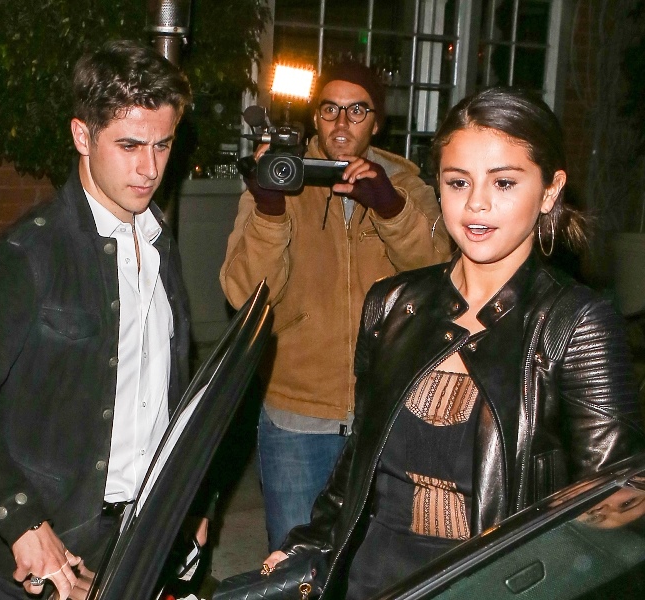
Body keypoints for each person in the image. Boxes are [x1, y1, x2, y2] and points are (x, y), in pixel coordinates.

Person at [261, 87, 645, 600]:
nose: (476, 203)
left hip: (491, 587)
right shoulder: (392, 303)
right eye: (458, 181)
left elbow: (611, 510)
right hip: (372, 580)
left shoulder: (575, 323)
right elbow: (360, 457)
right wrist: (310, 543)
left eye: (504, 182)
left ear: (550, 191)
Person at [0, 39, 199, 600]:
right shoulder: (26, 256)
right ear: (83, 136)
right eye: (129, 145)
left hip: (135, 542)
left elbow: (172, 384)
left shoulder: (158, 241)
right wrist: (22, 523)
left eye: (162, 145)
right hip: (40, 557)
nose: (150, 168)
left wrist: (191, 499)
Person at [220, 61, 451, 551]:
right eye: (330, 109)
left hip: (388, 412)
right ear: (315, 117)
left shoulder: (406, 187)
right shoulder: (282, 175)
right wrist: (269, 210)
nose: (342, 122)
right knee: (293, 563)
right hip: (297, 414)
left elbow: (439, 278)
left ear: (377, 121)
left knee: (377, 563)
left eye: (357, 110)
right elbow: (244, 293)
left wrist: (390, 209)